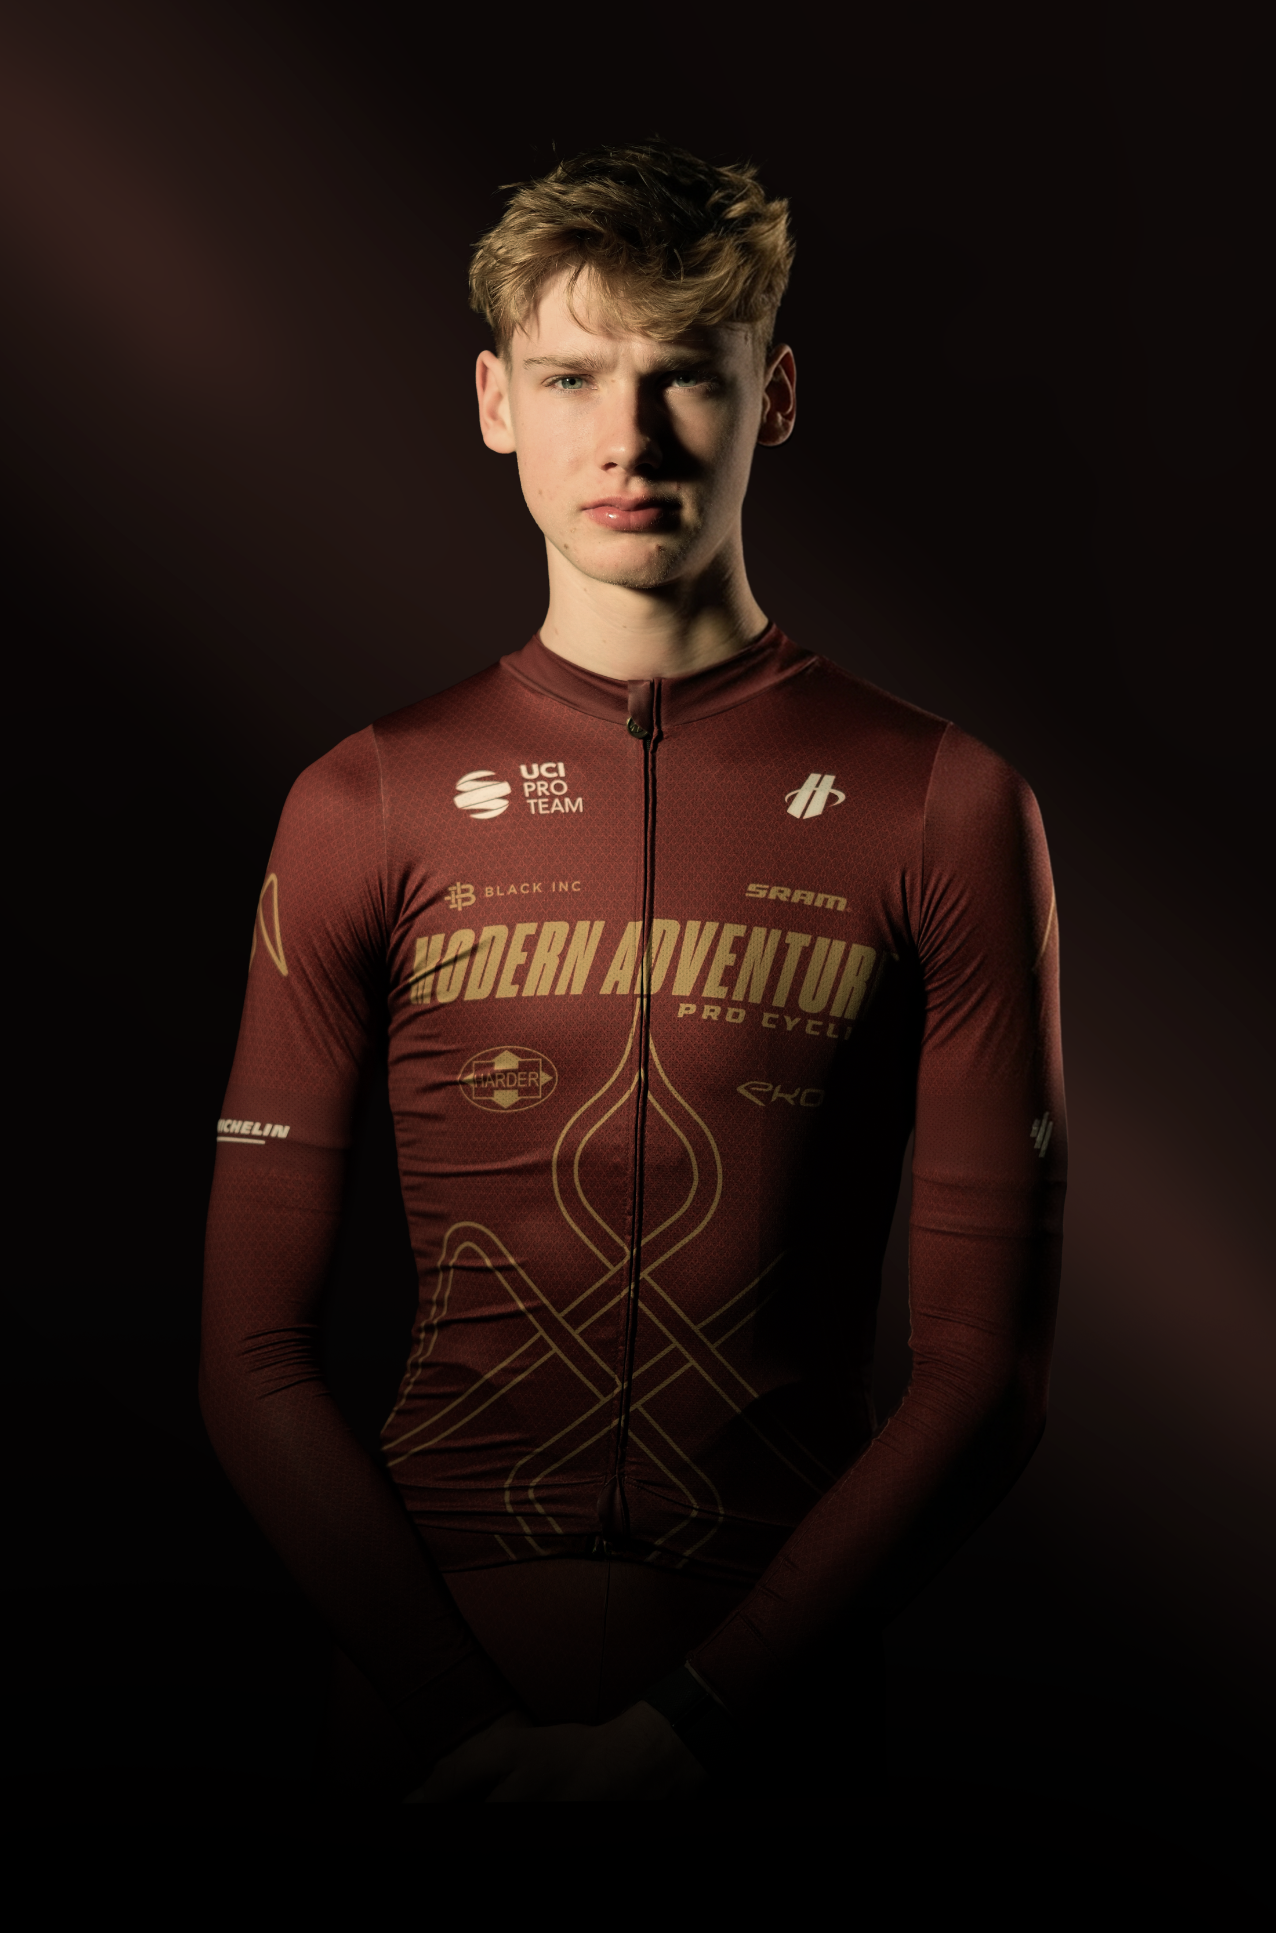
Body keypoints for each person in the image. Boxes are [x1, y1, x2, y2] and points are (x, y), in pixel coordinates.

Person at [200, 141, 1066, 1803]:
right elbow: (248, 1354)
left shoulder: (944, 803)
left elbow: (984, 1379)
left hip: (770, 1727)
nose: (631, 435)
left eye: (687, 374)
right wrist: (463, 1728)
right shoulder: (362, 799)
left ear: (777, 394)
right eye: (574, 374)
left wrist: (690, 1730)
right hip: (424, 1722)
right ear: (493, 402)